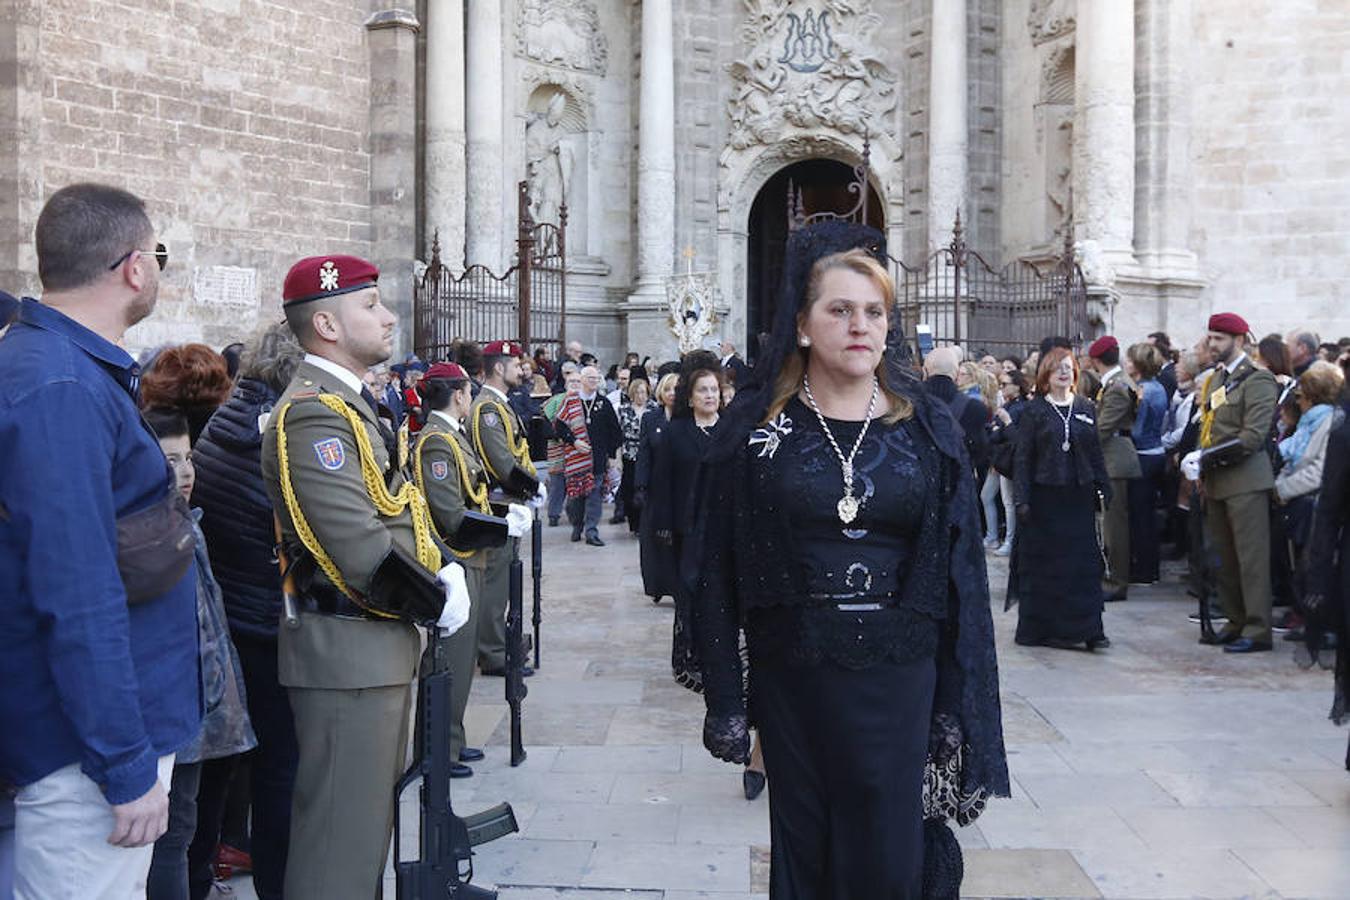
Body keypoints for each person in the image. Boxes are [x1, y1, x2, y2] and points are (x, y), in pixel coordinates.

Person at [693, 222, 1008, 899]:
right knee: (805, 851)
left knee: (887, 856)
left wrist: (952, 698)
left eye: (875, 312)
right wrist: (729, 698)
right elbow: (714, 569)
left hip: (899, 674)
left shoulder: (926, 426)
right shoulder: (756, 432)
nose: (860, 325)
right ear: (802, 325)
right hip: (794, 674)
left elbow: (958, 575)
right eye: (840, 309)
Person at [0, 183, 200, 898]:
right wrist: (123, 763)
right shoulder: (60, 386)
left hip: (87, 737)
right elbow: (75, 590)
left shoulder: (65, 369)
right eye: (160, 254)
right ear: (134, 267)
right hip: (82, 754)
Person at [260, 254, 467, 899]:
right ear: (325, 322)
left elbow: (395, 511)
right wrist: (436, 598)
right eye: (370, 304)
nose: (388, 315)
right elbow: (360, 549)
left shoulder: (349, 405)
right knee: (338, 850)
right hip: (348, 653)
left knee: (362, 835)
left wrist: (442, 571)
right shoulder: (314, 415)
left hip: (372, 652)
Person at [190, 321, 303, 900]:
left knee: (221, 766)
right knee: (278, 768)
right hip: (268, 620)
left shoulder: (218, 427)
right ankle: (277, 886)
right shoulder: (280, 435)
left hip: (225, 616)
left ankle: (201, 871)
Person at [143, 408, 257, 900]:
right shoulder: (156, 536)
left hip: (206, 708)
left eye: (188, 458)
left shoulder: (188, 522)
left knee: (189, 829)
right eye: (171, 460)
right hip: (182, 709)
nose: (186, 471)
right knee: (173, 835)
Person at [414, 362, 521, 775]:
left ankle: (452, 740)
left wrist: (497, 519)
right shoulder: (438, 442)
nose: (472, 398)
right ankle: (436, 750)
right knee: (448, 663)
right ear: (458, 395)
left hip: (471, 556)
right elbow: (450, 513)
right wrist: (500, 525)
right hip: (456, 558)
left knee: (460, 664)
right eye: (468, 392)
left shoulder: (452, 437)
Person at [1184, 312, 1280, 653]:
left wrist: (1204, 459)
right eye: (1210, 337)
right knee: (1224, 558)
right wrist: (1199, 462)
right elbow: (1209, 427)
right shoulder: (1215, 380)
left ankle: (1257, 629)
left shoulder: (1258, 379)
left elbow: (1252, 436)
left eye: (1219, 338)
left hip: (1246, 480)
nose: (1212, 344)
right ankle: (1236, 620)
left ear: (1239, 340)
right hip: (1217, 480)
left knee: (1250, 559)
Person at [1009, 348, 1113, 649]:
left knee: (1082, 566)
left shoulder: (1085, 406)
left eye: (1068, 368)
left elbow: (1094, 450)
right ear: (1046, 375)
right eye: (1057, 369)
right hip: (1044, 499)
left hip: (1077, 497)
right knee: (1045, 565)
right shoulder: (1034, 410)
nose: (1063, 373)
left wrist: (1104, 484)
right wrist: (1022, 499)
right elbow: (1023, 459)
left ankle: (1090, 629)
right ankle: (1040, 628)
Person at [470, 340, 545, 676]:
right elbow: (500, 461)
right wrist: (532, 486)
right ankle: (493, 652)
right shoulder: (487, 408)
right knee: (496, 583)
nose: (522, 369)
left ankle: (499, 643)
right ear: (498, 368)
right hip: (499, 505)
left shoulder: (500, 404)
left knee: (503, 580)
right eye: (516, 364)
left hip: (509, 502)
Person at [1273, 361, 1344, 666]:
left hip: (1315, 503)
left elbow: (1320, 470)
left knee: (1316, 566)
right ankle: (1309, 617)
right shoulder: (1309, 423)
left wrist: (1283, 489)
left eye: (1301, 396)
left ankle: (1324, 625)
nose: (1297, 400)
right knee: (1300, 564)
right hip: (1301, 500)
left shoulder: (1330, 422)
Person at [1086, 336, 1140, 603]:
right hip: (1112, 457)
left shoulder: (1117, 387)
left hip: (1115, 459)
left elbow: (1103, 428)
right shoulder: (1114, 384)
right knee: (1109, 523)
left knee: (1114, 526)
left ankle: (1117, 580)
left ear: (1096, 360)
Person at [556, 365, 622, 546]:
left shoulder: (604, 403)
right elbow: (559, 426)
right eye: (590, 378)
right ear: (582, 380)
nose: (594, 381)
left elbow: (615, 431)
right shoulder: (570, 401)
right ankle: (577, 525)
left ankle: (591, 530)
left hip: (598, 460)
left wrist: (611, 454)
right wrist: (574, 441)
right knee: (576, 498)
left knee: (594, 496)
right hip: (576, 459)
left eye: (596, 378)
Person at [1126, 342, 1168, 585]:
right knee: (1146, 514)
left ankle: (1144, 568)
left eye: (1130, 361)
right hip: (1156, 452)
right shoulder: (1158, 388)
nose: (1126, 364)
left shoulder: (1144, 390)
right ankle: (1148, 566)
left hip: (1143, 454)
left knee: (1140, 515)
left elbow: (1139, 430)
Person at [637, 373, 680, 603]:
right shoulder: (651, 419)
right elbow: (644, 454)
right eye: (668, 389)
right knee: (654, 539)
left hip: (680, 488)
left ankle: (676, 586)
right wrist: (641, 486)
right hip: (656, 488)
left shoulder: (687, 419)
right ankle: (657, 584)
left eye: (677, 389)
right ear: (661, 392)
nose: (673, 393)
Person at [923, 346, 990, 487]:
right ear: (956, 373)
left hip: (921, 481)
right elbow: (982, 451)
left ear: (925, 371)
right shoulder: (976, 408)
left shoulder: (909, 403)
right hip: (959, 483)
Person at [984, 369, 1029, 556]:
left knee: (1009, 503)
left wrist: (1005, 423)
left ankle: (1009, 540)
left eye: (1005, 384)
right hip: (1001, 461)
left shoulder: (1020, 408)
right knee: (989, 497)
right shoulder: (1010, 405)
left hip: (1010, 462)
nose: (1001, 388)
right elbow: (993, 433)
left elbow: (1013, 437)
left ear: (1017, 386)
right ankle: (993, 536)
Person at [617, 377, 656, 535]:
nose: (641, 395)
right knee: (629, 489)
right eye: (637, 392)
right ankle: (634, 522)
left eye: (643, 392)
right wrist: (617, 458)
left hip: (649, 454)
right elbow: (619, 435)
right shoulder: (623, 410)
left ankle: (647, 522)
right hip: (630, 454)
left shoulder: (654, 409)